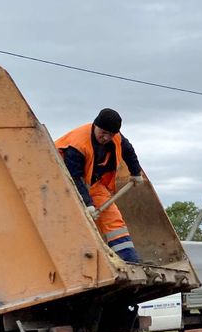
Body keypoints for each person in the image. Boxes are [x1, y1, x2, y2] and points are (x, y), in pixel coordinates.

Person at [55, 108, 144, 263]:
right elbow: (74, 177)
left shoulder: (116, 138)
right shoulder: (77, 144)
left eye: (110, 134)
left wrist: (136, 172)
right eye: (103, 132)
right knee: (72, 218)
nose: (106, 137)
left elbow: (128, 151)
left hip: (92, 182)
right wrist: (88, 204)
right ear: (95, 125)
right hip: (60, 180)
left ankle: (129, 260)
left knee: (112, 217)